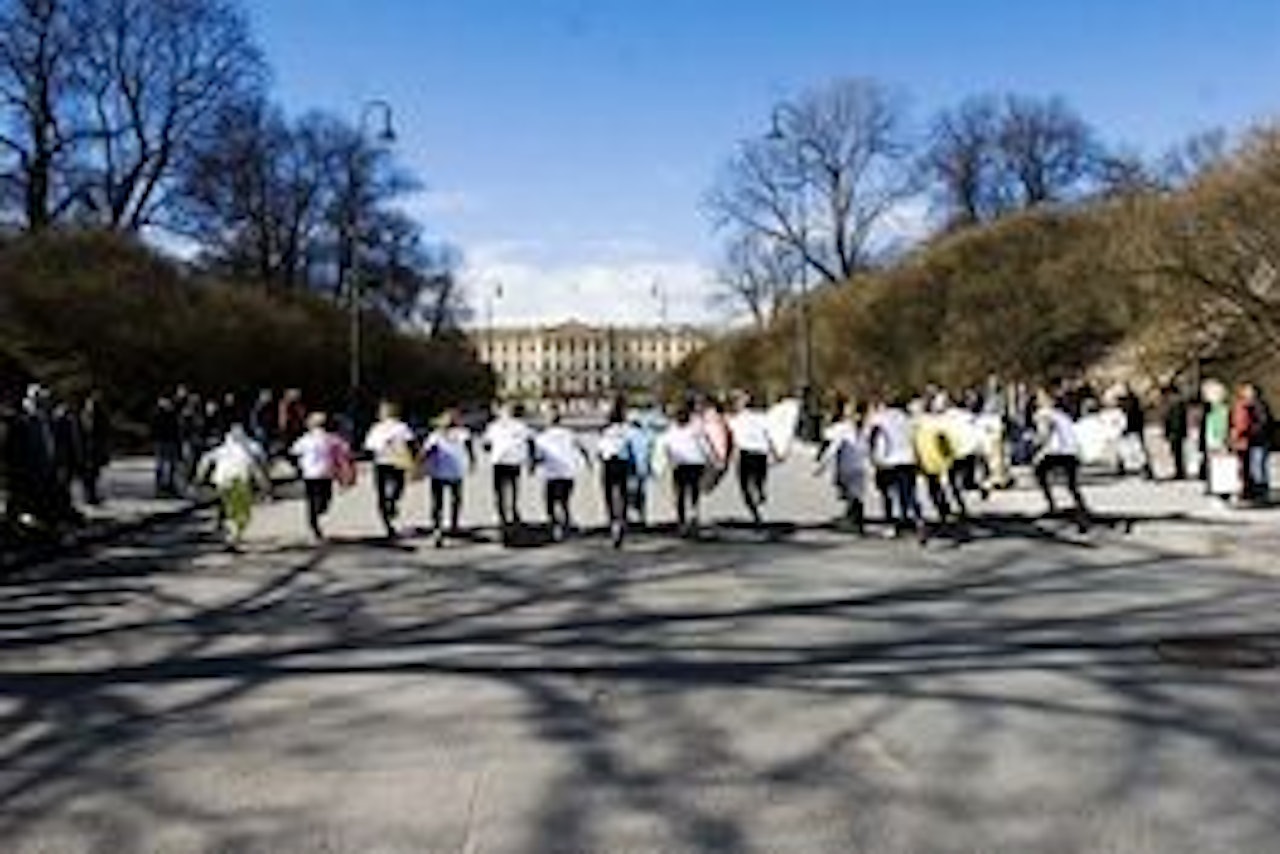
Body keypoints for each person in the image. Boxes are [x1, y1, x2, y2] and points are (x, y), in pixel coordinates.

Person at [197, 424, 270, 549]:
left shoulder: (223, 450)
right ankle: (233, 536)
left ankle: (230, 533)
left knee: (229, 508)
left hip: (222, 482)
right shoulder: (247, 450)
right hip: (239, 482)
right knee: (242, 512)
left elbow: (206, 459)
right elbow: (256, 467)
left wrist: (200, 476)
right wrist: (265, 485)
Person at [3, 385, 62, 533]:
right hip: (29, 470)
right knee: (23, 502)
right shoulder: (23, 422)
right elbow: (16, 450)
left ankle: (46, 527)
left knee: (44, 501)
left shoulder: (48, 420)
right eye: (41, 401)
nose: (45, 404)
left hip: (46, 468)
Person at [867, 396, 926, 542]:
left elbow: (873, 437)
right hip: (908, 459)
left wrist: (873, 456)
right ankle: (918, 521)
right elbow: (916, 439)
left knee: (887, 494)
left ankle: (891, 525)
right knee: (909, 494)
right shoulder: (908, 419)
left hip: (888, 460)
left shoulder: (879, 418)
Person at [1033, 388, 1090, 530]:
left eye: (1039, 398)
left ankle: (1052, 505)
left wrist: (1036, 446)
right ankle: (1081, 508)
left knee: (1039, 471)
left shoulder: (1043, 414)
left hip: (1057, 451)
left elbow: (1044, 435)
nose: (1037, 401)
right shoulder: (1062, 414)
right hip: (1073, 451)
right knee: (1071, 484)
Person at [533, 406, 592, 542]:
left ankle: (557, 526)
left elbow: (539, 456)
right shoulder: (568, 433)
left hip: (552, 475)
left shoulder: (542, 437)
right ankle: (565, 525)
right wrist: (588, 462)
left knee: (551, 502)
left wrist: (533, 465)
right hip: (568, 473)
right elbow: (582, 447)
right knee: (563, 501)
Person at [290, 412, 350, 542]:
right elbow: (343, 451)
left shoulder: (308, 439)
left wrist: (299, 466)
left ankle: (314, 522)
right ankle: (316, 520)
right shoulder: (328, 439)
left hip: (311, 474)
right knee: (324, 498)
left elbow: (294, 452)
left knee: (314, 500)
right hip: (324, 473)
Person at [913, 395, 967, 537]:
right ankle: (949, 510)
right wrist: (950, 455)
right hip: (939, 459)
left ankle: (944, 512)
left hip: (927, 459)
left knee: (935, 487)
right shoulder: (935, 422)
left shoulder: (919, 423)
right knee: (942, 487)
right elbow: (945, 440)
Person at [420, 408, 475, 547]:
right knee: (452, 500)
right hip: (452, 471)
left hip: (442, 471)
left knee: (440, 502)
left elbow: (425, 452)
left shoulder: (437, 435)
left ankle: (440, 528)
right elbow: (470, 450)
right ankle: (449, 526)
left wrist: (421, 464)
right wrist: (472, 462)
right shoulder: (461, 433)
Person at [363, 400, 417, 539]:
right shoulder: (401, 427)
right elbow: (411, 444)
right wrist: (413, 460)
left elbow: (369, 448)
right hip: (398, 461)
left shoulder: (377, 428)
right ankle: (391, 503)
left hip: (381, 462)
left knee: (381, 493)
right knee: (397, 488)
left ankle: (387, 524)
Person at [816, 400, 870, 535]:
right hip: (859, 466)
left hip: (847, 466)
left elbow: (832, 446)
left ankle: (853, 521)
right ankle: (855, 520)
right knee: (855, 495)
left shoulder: (842, 428)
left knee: (851, 494)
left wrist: (822, 465)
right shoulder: (864, 427)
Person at [660, 401, 712, 538]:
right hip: (695, 463)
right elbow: (704, 445)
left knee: (681, 494)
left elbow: (666, 446)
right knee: (693, 492)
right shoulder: (695, 428)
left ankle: (683, 521)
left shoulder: (672, 429)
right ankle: (692, 516)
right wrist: (709, 458)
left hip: (682, 464)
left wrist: (668, 460)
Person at [483, 403, 533, 537]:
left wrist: (492, 448)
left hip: (499, 460)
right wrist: (530, 460)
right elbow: (530, 441)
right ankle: (513, 512)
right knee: (513, 488)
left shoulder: (493, 426)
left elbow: (486, 444)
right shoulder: (521, 426)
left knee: (499, 490)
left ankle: (502, 517)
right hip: (514, 461)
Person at [727, 390, 775, 527]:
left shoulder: (735, 420)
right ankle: (759, 493)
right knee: (758, 480)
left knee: (745, 486)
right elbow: (770, 435)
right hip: (761, 453)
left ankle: (756, 513)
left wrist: (728, 456)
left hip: (746, 453)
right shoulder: (763, 417)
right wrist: (775, 452)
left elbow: (731, 439)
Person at [599, 397, 639, 548]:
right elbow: (633, 449)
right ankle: (622, 520)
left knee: (609, 494)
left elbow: (600, 450)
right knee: (623, 493)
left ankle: (613, 522)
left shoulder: (605, 430)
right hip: (623, 462)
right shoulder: (627, 430)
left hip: (609, 463)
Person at [77, 391, 112, 505]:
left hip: (94, 449)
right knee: (89, 474)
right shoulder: (87, 416)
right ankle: (89, 496)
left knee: (93, 474)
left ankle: (91, 495)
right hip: (90, 449)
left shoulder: (95, 416)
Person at [1118, 384, 1153, 479]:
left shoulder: (1131, 404)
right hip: (1136, 427)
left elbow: (1131, 417)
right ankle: (1146, 468)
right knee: (1138, 449)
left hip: (1134, 427)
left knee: (1133, 449)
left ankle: (1145, 468)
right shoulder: (1136, 404)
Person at [151, 396, 182, 497]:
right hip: (166, 441)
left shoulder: (161, 415)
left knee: (166, 464)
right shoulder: (167, 416)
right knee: (164, 464)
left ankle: (165, 486)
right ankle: (164, 486)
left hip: (166, 441)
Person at [1162, 386, 1189, 481]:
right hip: (1177, 432)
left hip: (1176, 432)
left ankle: (1180, 471)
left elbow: (1174, 420)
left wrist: (1170, 432)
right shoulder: (1178, 404)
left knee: (1177, 453)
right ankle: (1179, 471)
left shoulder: (1175, 405)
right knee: (1178, 453)